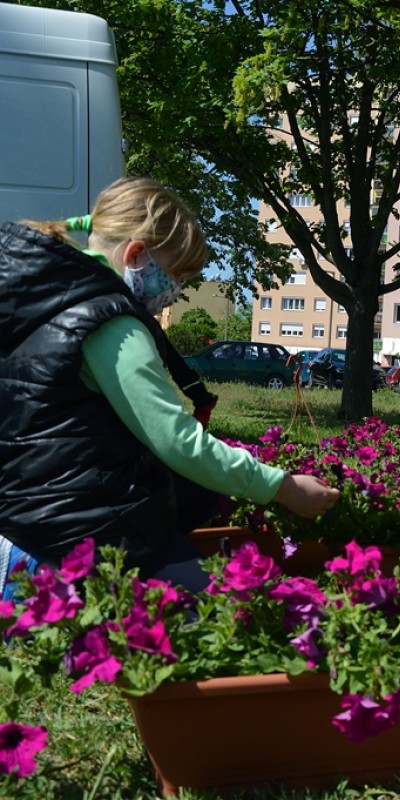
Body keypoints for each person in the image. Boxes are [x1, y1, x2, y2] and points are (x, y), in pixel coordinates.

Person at [0, 177, 340, 595]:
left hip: (29, 514)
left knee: (196, 492)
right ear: (137, 254)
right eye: (175, 274)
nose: (175, 292)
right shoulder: (112, 324)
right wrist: (281, 487)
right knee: (243, 611)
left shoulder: (45, 299)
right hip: (83, 535)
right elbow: (175, 439)